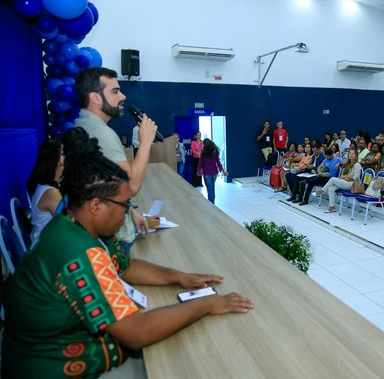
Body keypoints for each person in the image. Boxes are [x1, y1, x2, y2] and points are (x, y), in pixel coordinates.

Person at [1, 136, 254, 378]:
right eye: (124, 205)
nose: (127, 213)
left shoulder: (75, 223)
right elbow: (137, 332)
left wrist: (180, 277)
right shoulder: (77, 251)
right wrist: (206, 304)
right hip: (56, 369)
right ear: (95, 205)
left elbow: (124, 266)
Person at [74, 67, 158, 250]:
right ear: (95, 97)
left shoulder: (82, 124)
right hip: (113, 240)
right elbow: (130, 186)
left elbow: (103, 186)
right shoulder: (101, 133)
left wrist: (129, 210)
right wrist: (145, 142)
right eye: (115, 91)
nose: (122, 96)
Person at [26, 138, 64, 244]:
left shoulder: (45, 186)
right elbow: (70, 223)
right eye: (62, 153)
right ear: (53, 161)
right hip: (45, 250)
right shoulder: (50, 193)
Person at [314, 149, 362, 213]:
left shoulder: (357, 165)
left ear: (356, 155)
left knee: (333, 179)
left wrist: (345, 177)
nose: (351, 155)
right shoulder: (348, 164)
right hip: (346, 182)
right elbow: (345, 176)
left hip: (352, 185)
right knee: (331, 188)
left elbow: (356, 177)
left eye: (353, 153)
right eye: (350, 153)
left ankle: (322, 190)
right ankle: (332, 207)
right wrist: (344, 177)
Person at [198, 139, 227, 204]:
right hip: (215, 173)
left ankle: (211, 201)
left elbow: (200, 163)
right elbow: (218, 162)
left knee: (209, 187)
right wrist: (221, 170)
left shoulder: (203, 153)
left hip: (206, 173)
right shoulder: (215, 152)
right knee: (212, 185)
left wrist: (199, 170)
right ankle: (212, 200)